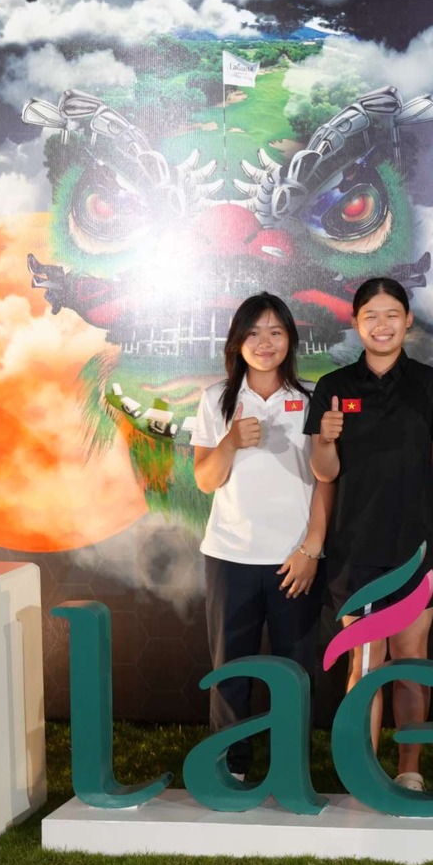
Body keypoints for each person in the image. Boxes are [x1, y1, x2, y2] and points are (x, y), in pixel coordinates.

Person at [307, 277, 433, 791]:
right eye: (370, 315)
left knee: (411, 661)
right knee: (367, 662)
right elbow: (325, 473)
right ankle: (363, 772)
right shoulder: (333, 387)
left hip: (418, 546)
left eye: (392, 314)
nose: (382, 324)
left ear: (408, 320)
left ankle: (409, 769)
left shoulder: (430, 384)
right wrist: (325, 441)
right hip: (356, 548)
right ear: (355, 322)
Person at [190, 293, 332, 778]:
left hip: (295, 559)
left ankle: (291, 768)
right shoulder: (216, 399)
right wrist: (230, 441)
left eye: (275, 332)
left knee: (295, 671)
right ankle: (232, 768)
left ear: (291, 338)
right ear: (237, 341)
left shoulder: (313, 397)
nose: (264, 342)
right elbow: (205, 480)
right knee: (231, 670)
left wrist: (311, 549)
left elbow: (327, 480)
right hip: (230, 555)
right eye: (253, 333)